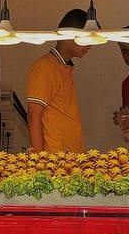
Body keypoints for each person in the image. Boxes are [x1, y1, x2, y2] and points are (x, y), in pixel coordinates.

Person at [26, 9, 92, 153]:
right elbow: (33, 115)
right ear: (68, 36)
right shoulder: (45, 67)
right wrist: (41, 159)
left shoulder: (64, 67)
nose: (90, 46)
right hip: (53, 159)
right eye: (86, 40)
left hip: (71, 157)